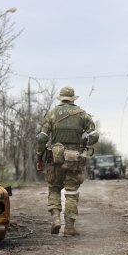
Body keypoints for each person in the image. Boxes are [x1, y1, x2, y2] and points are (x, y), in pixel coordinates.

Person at [35, 86, 99, 236]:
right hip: (75, 160)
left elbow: (42, 138)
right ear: (73, 98)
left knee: (54, 188)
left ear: (61, 98)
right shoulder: (83, 115)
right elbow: (94, 135)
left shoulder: (52, 114)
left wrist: (39, 157)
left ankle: (56, 219)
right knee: (71, 192)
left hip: (54, 159)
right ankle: (69, 228)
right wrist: (84, 142)